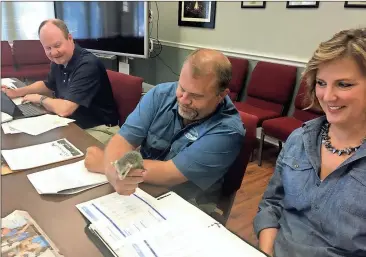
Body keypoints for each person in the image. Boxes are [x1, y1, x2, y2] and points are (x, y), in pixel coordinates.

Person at [253, 28, 366, 257]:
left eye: (344, 84)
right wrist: (266, 251)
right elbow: (271, 204)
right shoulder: (299, 140)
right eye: (322, 83)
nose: (328, 96)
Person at [85, 49, 245, 209]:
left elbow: (169, 173)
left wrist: (106, 165)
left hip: (186, 204)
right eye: (182, 88)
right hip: (142, 189)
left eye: (196, 96)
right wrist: (113, 169)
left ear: (221, 95)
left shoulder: (228, 131)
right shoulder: (160, 94)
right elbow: (124, 139)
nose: (183, 100)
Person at [1, 19, 119, 144]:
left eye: (57, 45)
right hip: (72, 122)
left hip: (100, 129)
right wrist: (19, 92)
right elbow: (48, 85)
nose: (53, 52)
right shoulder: (59, 61)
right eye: (48, 48)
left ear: (70, 38)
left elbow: (65, 109)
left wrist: (39, 98)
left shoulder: (88, 65)